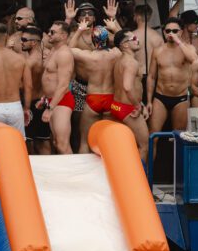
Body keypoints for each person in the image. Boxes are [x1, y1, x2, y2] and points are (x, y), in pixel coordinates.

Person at [70, 24, 120, 153]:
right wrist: (115, 28)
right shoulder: (116, 54)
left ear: (93, 40)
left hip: (93, 98)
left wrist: (80, 30)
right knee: (108, 140)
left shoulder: (88, 56)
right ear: (107, 40)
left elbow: (69, 48)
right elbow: (128, 41)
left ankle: (84, 173)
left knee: (84, 141)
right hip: (110, 98)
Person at [146, 17, 197, 133]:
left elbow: (195, 60)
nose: (171, 34)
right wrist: (149, 101)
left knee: (178, 137)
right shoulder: (158, 51)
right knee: (153, 135)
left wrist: (179, 42)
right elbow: (151, 77)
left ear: (181, 32)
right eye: (168, 31)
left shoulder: (188, 48)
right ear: (164, 32)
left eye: (175, 31)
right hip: (160, 97)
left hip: (181, 98)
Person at [111, 30, 149, 161]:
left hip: (116, 107)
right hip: (128, 109)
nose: (137, 40)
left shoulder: (120, 60)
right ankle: (138, 180)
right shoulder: (131, 63)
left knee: (123, 146)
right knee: (144, 146)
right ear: (125, 45)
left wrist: (140, 103)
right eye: (133, 38)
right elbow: (127, 87)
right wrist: (137, 106)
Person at [41, 21, 75, 154]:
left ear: (63, 36)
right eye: (50, 31)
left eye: (52, 32)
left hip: (61, 101)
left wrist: (50, 108)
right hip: (53, 100)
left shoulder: (64, 54)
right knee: (56, 142)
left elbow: (63, 84)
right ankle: (67, 173)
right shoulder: (54, 50)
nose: (49, 34)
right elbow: (50, 77)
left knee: (62, 144)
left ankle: (75, 174)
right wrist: (45, 98)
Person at [21, 25, 51, 154]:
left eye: (24, 40)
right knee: (43, 140)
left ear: (33, 42)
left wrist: (26, 108)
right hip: (43, 101)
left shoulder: (29, 62)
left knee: (28, 141)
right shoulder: (48, 58)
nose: (21, 42)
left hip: (31, 103)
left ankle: (33, 171)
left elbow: (26, 86)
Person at [133, 4, 164, 99]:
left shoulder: (132, 36)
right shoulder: (158, 37)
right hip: (154, 78)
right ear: (149, 17)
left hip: (137, 77)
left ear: (137, 16)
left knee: (138, 109)